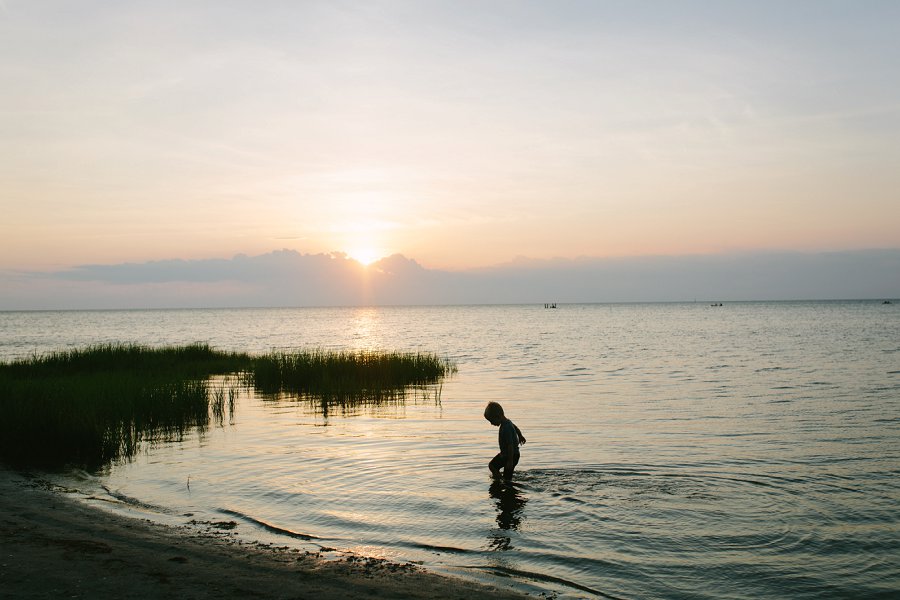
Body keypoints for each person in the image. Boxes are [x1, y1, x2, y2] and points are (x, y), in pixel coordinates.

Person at [483, 402, 526, 479]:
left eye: (491, 421)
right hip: (510, 455)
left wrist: (510, 461)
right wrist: (520, 435)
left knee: (492, 466)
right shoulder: (508, 422)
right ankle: (501, 480)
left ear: (498, 417)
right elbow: (515, 427)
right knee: (500, 470)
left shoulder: (506, 428)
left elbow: (510, 445)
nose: (491, 423)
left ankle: (500, 481)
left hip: (510, 455)